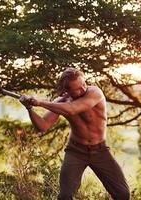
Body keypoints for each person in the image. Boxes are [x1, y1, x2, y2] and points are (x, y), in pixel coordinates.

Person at [19, 68, 130, 200]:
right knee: (65, 196)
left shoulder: (94, 92)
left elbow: (73, 109)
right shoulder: (61, 102)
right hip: (76, 151)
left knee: (123, 194)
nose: (83, 89)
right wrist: (29, 108)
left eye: (83, 84)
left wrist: (40, 103)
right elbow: (43, 126)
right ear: (67, 90)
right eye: (77, 88)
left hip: (100, 150)